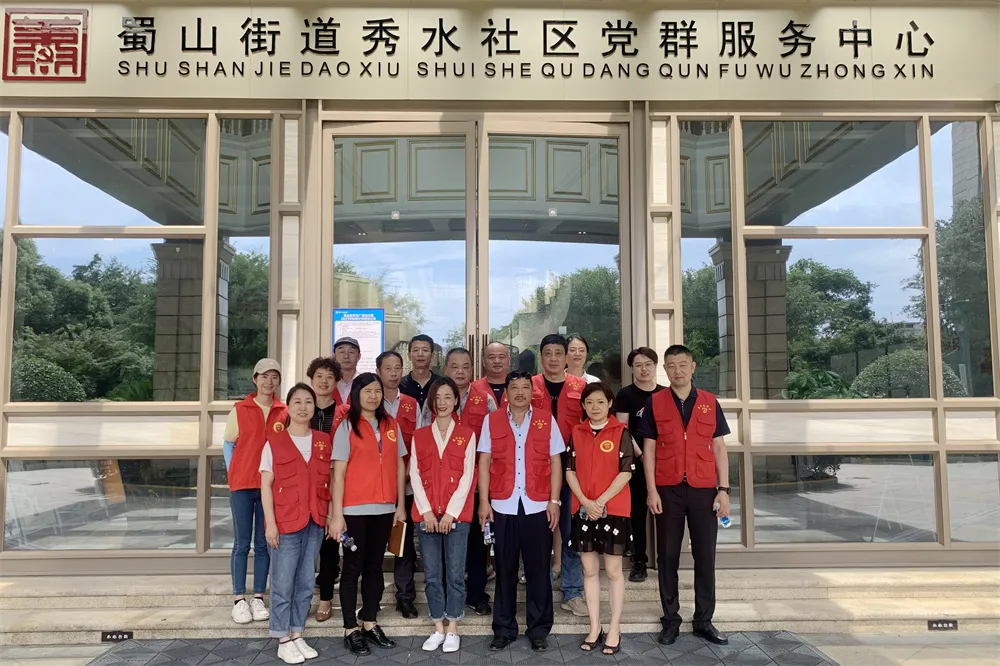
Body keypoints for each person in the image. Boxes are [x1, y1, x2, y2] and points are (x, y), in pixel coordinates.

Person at [637, 345, 731, 647]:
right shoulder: (655, 402)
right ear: (665, 369)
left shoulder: (709, 402)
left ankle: (704, 620)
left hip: (704, 489)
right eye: (671, 366)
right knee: (667, 557)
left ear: (692, 367)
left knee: (705, 556)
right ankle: (671, 619)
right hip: (668, 489)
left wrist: (724, 490)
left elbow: (719, 448)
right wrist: (651, 490)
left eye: (682, 365)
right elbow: (649, 450)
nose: (677, 371)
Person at [477, 371, 564, 653]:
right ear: (506, 392)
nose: (520, 392)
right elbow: (484, 461)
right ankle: (504, 629)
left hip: (538, 505)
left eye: (525, 387)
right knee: (505, 570)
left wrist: (554, 501)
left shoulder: (546, 420)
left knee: (539, 570)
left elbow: (555, 462)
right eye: (514, 387)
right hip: (502, 505)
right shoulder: (492, 420)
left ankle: (539, 629)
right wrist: (484, 501)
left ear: (532, 392)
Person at [328, 373, 408, 656]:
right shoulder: (346, 426)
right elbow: (338, 474)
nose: (373, 396)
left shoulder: (391, 424)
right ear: (357, 394)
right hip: (354, 509)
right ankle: (350, 628)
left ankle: (369, 621)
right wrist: (337, 514)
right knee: (353, 567)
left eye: (377, 391)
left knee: (375, 567)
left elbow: (400, 465)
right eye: (367, 391)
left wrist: (400, 505)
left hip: (385, 508)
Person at [419, 347, 497, 617]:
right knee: (442, 543)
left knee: (477, 543)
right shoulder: (433, 400)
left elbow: (493, 442)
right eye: (454, 366)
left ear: (473, 369)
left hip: (476, 485)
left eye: (465, 366)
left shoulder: (486, 400)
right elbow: (422, 437)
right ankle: (443, 599)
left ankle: (476, 594)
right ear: (446, 369)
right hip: (440, 488)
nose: (460, 371)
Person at [260, 383, 331, 664]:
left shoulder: (323, 441)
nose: (303, 407)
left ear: (315, 407)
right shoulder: (274, 442)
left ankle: (297, 633)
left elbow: (328, 483)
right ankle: (282, 638)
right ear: (287, 408)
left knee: (305, 582)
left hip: (314, 521)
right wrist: (270, 523)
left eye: (308, 402)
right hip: (285, 523)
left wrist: (328, 517)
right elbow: (266, 485)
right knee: (282, 583)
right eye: (297, 402)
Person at [565, 382, 635, 656]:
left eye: (600, 402)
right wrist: (586, 501)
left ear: (610, 404)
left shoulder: (621, 432)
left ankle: (614, 628)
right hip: (583, 509)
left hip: (613, 509)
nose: (595, 407)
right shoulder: (577, 432)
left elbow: (626, 471)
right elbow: (569, 470)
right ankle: (595, 627)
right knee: (589, 570)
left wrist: (601, 501)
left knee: (614, 571)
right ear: (583, 406)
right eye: (589, 402)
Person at [410, 377, 477, 654]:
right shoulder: (419, 435)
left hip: (456, 517)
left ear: (456, 400)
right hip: (426, 516)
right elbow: (415, 474)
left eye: (448, 397)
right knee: (432, 575)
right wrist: (426, 511)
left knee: (455, 574)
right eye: (437, 398)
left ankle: (453, 628)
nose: (442, 402)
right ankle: (438, 626)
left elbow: (468, 476)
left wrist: (451, 513)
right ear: (431, 402)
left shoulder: (467, 434)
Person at [222, 358, 287, 625]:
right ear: (254, 379)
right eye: (264, 376)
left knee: (263, 543)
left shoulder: (284, 411)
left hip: (269, 487)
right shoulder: (240, 409)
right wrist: (233, 473)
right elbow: (228, 445)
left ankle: (258, 597)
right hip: (242, 485)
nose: (269, 381)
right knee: (241, 543)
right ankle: (239, 599)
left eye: (274, 377)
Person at [531, 334, 587, 617]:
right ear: (541, 356)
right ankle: (538, 590)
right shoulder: (528, 386)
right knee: (537, 534)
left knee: (571, 533)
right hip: (536, 472)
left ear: (567, 357)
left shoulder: (582, 387)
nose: (553, 358)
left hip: (573, 471)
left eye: (558, 353)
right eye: (547, 353)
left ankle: (572, 592)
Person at [614, 347, 666, 583]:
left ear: (655, 366)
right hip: (636, 462)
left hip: (663, 464)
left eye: (648, 364)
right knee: (637, 513)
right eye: (638, 365)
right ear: (632, 369)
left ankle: (666, 560)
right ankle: (639, 561)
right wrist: (641, 454)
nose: (644, 369)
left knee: (666, 513)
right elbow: (622, 429)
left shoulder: (665, 393)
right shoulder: (626, 394)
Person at [376, 350, 421, 619]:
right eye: (388, 368)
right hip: (375, 486)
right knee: (375, 543)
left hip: (405, 486)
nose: (393, 374)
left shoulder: (412, 404)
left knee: (402, 543)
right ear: (378, 371)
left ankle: (405, 596)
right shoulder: (369, 401)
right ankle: (373, 597)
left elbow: (420, 442)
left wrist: (408, 474)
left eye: (397, 368)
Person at [307, 356, 346, 623]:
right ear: (311, 380)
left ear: (336, 382)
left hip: (334, 482)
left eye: (329, 377)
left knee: (330, 543)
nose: (324, 381)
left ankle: (326, 598)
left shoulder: (345, 412)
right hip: (304, 483)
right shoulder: (300, 409)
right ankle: (301, 595)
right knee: (304, 542)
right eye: (319, 376)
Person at [399, 334, 440, 409]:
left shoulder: (440, 384)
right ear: (409, 356)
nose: (420, 354)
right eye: (416, 350)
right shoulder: (400, 385)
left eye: (425, 350)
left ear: (432, 356)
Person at [474, 341, 511, 406]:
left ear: (509, 361)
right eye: (492, 357)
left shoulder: (520, 388)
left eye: (501, 357)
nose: (497, 361)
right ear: (484, 362)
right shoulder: (474, 388)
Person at [333, 337, 361, 404]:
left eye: (351, 352)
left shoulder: (364, 382)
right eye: (342, 352)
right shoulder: (328, 382)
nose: (346, 356)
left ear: (359, 356)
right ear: (334, 356)